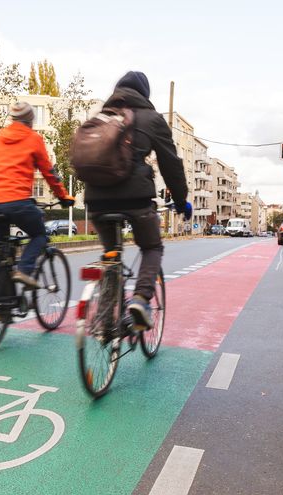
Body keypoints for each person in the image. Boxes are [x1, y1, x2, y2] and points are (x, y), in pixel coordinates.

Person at [84, 71, 191, 329]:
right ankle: (141, 300)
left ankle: (105, 321)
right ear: (145, 94)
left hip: (96, 202)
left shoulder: (99, 118)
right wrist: (180, 199)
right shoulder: (152, 119)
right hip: (135, 200)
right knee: (151, 247)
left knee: (111, 257)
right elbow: (171, 165)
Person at [0, 101, 75, 288]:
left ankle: (2, 308)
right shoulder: (34, 139)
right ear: (30, 120)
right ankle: (24, 271)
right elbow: (49, 172)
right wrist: (63, 196)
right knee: (40, 235)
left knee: (0, 252)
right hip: (17, 202)